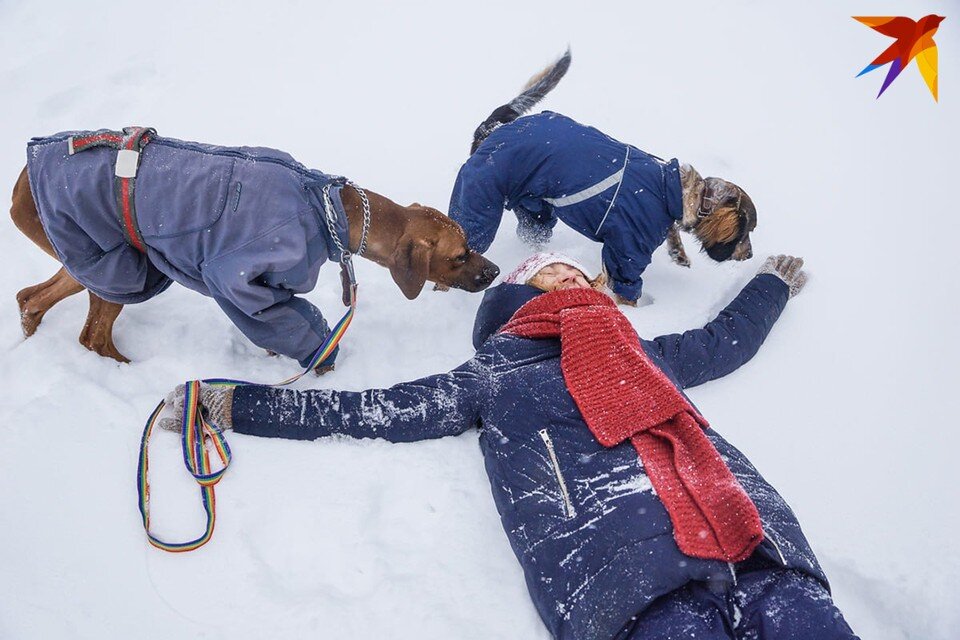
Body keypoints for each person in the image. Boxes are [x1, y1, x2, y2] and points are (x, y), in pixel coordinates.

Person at [164, 253, 856, 640]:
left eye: (581, 277)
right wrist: (236, 404)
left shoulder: (643, 353)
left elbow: (721, 342)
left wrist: (768, 286)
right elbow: (383, 410)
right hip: (624, 581)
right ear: (519, 293)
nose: (574, 281)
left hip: (752, 543)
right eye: (556, 275)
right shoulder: (495, 371)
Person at [449, 110, 758, 306]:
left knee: (539, 226)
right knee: (461, 253)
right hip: (499, 167)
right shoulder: (644, 224)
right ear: (722, 220)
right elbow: (622, 284)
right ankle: (441, 303)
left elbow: (653, 212)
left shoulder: (658, 173)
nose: (744, 247)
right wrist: (628, 300)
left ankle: (530, 250)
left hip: (537, 133)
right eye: (742, 236)